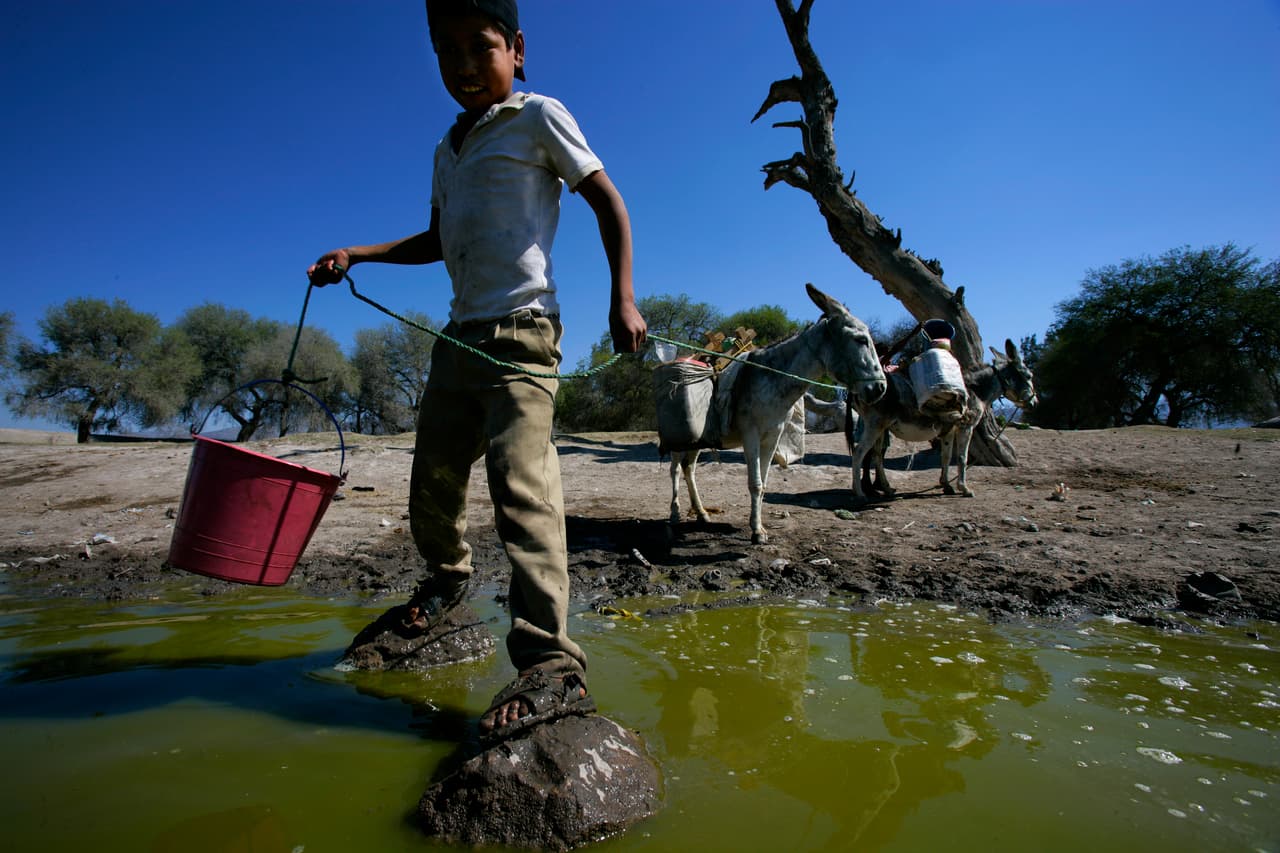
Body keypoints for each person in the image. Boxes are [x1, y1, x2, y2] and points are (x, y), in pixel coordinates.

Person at [307, 0, 646, 744]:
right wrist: (359, 254)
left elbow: (608, 202)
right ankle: (447, 582)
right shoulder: (447, 147)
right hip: (459, 339)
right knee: (430, 475)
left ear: (517, 49)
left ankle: (550, 660)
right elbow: (438, 236)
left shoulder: (538, 116)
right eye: (446, 50)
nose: (462, 63)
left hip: (524, 334)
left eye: (479, 46)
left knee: (521, 484)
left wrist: (623, 298)